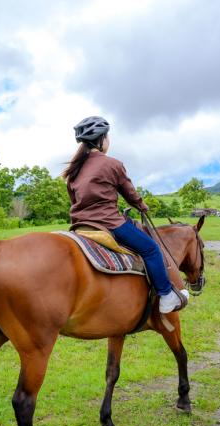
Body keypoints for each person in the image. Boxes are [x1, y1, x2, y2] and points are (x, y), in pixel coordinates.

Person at [63, 116, 188, 313]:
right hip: (108, 222)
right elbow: (129, 193)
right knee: (151, 248)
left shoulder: (73, 171)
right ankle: (165, 295)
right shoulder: (113, 164)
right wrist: (142, 205)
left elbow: (75, 201)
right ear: (102, 139)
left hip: (80, 225)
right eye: (107, 137)